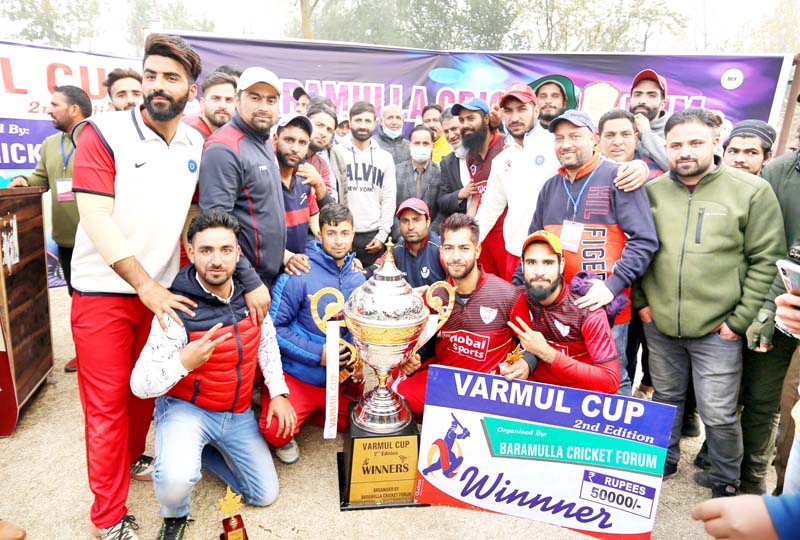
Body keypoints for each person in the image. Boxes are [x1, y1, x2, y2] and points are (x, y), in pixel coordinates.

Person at [69, 34, 260, 540]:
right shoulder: (101, 133)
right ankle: (108, 520)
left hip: (162, 292)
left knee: (141, 397)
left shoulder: (196, 143)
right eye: (150, 74)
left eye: (171, 78)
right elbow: (96, 219)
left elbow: (206, 221)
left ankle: (130, 460)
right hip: (104, 293)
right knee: (107, 405)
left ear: (190, 90)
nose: (156, 85)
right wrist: (145, 286)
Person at [633, 108, 785, 498]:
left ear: (716, 141)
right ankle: (661, 461)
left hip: (719, 329)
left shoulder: (751, 191)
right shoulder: (652, 192)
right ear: (664, 147)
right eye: (676, 145)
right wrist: (643, 303)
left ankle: (726, 480)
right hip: (661, 324)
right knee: (665, 400)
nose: (685, 152)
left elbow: (767, 260)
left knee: (718, 413)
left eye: (695, 143)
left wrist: (739, 320)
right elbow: (637, 249)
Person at [130, 210, 288, 540]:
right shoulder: (177, 307)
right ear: (190, 251)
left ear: (237, 254)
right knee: (176, 480)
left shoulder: (252, 295)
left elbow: (266, 343)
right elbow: (139, 383)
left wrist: (279, 392)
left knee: (264, 495)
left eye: (225, 250)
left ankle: (201, 453)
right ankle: (175, 513)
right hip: (189, 409)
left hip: (237, 411)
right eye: (206, 251)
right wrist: (182, 363)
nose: (216, 260)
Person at [513, 109, 658, 397]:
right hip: (557, 308)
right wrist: (518, 288)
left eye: (575, 136)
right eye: (560, 138)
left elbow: (645, 240)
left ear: (593, 139)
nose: (566, 144)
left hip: (604, 308)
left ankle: (614, 442)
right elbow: (533, 242)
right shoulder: (550, 187)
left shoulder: (618, 178)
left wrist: (612, 285)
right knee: (561, 374)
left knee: (613, 382)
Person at [260, 204, 365, 463]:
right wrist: (317, 354)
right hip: (300, 376)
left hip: (340, 380)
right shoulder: (299, 272)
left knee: (363, 425)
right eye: (331, 233)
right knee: (276, 432)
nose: (338, 241)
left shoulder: (358, 278)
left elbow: (361, 328)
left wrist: (360, 360)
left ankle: (314, 412)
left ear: (353, 235)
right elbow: (274, 329)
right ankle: (278, 399)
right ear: (320, 234)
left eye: (344, 233)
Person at [394, 213, 520, 416]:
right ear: (441, 251)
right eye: (449, 248)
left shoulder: (506, 294)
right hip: (447, 385)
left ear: (477, 250)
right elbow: (428, 343)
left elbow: (530, 344)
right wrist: (416, 357)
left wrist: (526, 363)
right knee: (394, 395)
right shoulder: (436, 296)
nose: (456, 257)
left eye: (464, 248)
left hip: (490, 392)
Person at [199, 66, 288, 292]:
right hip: (242, 284)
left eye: (271, 100)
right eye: (255, 98)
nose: (263, 107)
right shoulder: (223, 148)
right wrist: (250, 283)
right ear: (238, 100)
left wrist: (284, 256)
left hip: (267, 277)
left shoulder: (264, 141)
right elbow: (216, 228)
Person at [502, 231, 620, 394]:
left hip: (577, 401)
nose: (539, 271)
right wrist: (525, 363)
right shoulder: (514, 299)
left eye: (548, 263)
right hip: (531, 397)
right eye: (531, 262)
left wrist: (548, 353)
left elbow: (610, 380)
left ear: (561, 265)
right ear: (522, 265)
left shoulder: (586, 310)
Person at [9, 86, 90, 305]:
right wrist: (24, 180)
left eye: (55, 105)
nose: (49, 110)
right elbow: (40, 180)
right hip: (65, 239)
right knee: (76, 296)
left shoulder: (97, 139)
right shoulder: (50, 144)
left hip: (95, 239)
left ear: (74, 109)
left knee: (99, 300)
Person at [475, 83, 560, 282]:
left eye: (522, 109)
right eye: (508, 111)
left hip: (553, 252)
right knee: (518, 312)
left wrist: (637, 168)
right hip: (516, 253)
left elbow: (593, 162)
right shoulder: (502, 160)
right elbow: (489, 210)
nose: (514, 118)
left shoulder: (555, 144)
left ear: (536, 110)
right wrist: (469, 244)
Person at [329, 101, 396, 267]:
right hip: (342, 233)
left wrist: (382, 235)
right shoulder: (336, 152)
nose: (363, 125)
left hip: (372, 236)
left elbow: (389, 199)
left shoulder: (385, 158)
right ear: (350, 122)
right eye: (358, 120)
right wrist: (339, 233)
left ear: (375, 123)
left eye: (367, 121)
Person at [450, 97, 507, 278]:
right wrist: (467, 230)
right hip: (483, 234)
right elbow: (476, 196)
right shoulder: (471, 156)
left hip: (506, 235)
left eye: (471, 118)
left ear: (487, 119)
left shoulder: (506, 145)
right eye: (461, 120)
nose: (465, 124)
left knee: (511, 288)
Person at [273, 113, 329, 274]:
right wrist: (286, 256)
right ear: (276, 139)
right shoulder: (263, 180)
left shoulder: (304, 180)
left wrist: (335, 246)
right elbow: (254, 235)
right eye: (289, 140)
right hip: (266, 271)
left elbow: (315, 220)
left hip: (297, 269)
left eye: (302, 142)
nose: (295, 148)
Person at [392, 125, 441, 240]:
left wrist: (428, 236)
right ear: (410, 145)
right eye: (417, 143)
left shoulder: (440, 173)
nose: (421, 147)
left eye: (425, 143)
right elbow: (389, 208)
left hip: (430, 239)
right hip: (400, 239)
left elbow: (442, 211)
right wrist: (400, 235)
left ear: (432, 146)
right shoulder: (396, 171)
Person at [384, 198, 446, 287]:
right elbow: (378, 266)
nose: (410, 227)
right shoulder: (396, 250)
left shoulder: (440, 249)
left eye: (416, 220)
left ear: (428, 222)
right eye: (405, 221)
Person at [628, 69, 670, 171]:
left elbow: (679, 169)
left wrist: (646, 133)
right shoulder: (620, 127)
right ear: (630, 100)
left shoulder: (676, 129)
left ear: (662, 104)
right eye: (637, 94)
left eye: (651, 95)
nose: (642, 101)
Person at [181, 71, 237, 140]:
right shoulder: (186, 132)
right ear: (202, 103)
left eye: (228, 100)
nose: (223, 105)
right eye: (216, 99)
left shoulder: (237, 133)